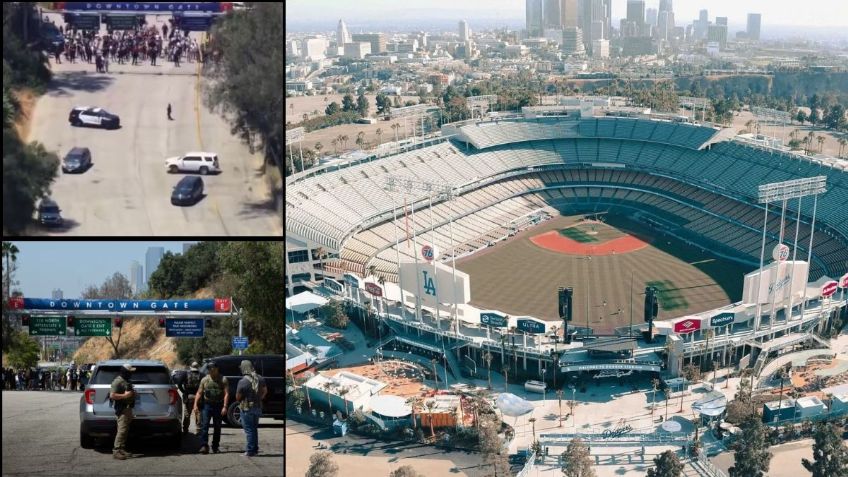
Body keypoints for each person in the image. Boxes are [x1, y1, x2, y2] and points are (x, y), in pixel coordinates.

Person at [194, 361, 229, 454]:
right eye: (210, 369)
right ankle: (204, 446)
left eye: (213, 369)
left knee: (217, 427)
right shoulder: (204, 380)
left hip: (218, 405)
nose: (211, 371)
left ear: (217, 369)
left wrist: (225, 406)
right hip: (207, 405)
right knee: (204, 426)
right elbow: (199, 392)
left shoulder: (223, 379)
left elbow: (226, 394)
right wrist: (195, 404)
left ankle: (215, 446)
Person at [235, 360, 267, 457]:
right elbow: (265, 391)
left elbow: (238, 397)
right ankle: (255, 449)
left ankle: (250, 451)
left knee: (249, 430)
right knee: (254, 429)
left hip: (246, 408)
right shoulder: (260, 378)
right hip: (257, 407)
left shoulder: (243, 381)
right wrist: (259, 398)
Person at [110, 363, 137, 460]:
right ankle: (116, 451)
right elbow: (112, 395)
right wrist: (125, 396)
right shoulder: (117, 382)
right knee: (121, 430)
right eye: (130, 372)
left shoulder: (125, 381)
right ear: (125, 372)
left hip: (128, 409)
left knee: (125, 430)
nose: (131, 374)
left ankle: (121, 449)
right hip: (122, 409)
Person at [178, 362, 202, 434]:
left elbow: (179, 383)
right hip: (198, 396)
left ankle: (185, 429)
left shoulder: (185, 374)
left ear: (191, 367)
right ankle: (198, 429)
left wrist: (184, 391)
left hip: (188, 397)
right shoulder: (202, 375)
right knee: (198, 413)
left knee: (187, 413)